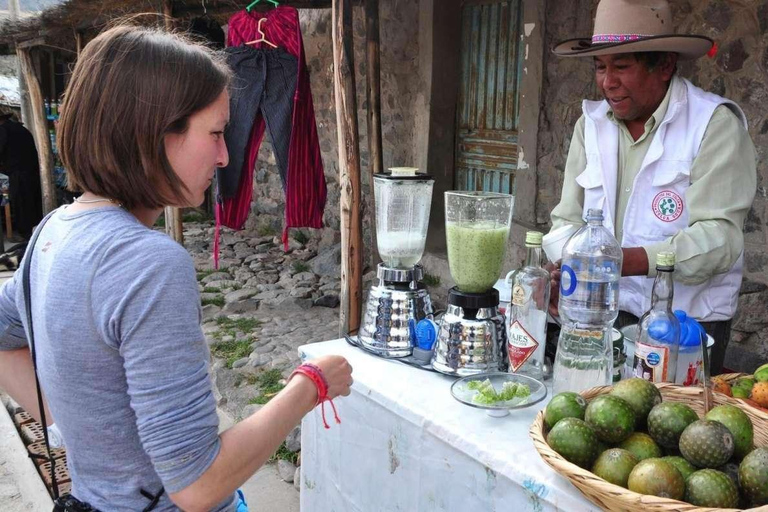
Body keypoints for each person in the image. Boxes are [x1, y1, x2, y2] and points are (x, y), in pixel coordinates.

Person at [0, 25, 353, 511]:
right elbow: (199, 485)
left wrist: (80, 424)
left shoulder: (54, 229)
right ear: (152, 135)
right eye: (215, 133)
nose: (226, 155)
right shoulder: (146, 261)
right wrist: (309, 385)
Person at [547, 0, 757, 375]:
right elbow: (566, 219)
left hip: (686, 327)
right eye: (600, 67)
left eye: (622, 67)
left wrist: (626, 261)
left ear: (664, 65)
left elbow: (720, 239)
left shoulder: (713, 124)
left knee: (672, 428)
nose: (607, 82)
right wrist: (562, 271)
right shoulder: (590, 125)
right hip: (604, 317)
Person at [0, 105, 42, 238]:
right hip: (31, 170)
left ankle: (26, 234)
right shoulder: (19, 128)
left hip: (19, 172)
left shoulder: (3, 130)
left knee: (22, 203)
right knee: (32, 201)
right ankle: (34, 230)